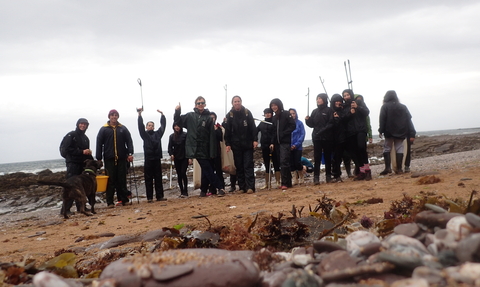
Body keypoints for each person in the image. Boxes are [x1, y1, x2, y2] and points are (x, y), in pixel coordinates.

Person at [174, 97, 226, 197]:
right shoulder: (190, 116)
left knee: (207, 169)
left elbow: (211, 135)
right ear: (195, 105)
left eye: (202, 103)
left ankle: (211, 190)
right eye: (198, 103)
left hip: (205, 148)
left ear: (205, 104)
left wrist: (212, 152)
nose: (200, 104)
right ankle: (218, 188)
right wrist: (177, 111)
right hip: (194, 148)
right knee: (207, 169)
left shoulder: (208, 118)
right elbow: (178, 121)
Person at [96, 109, 134, 207]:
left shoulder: (123, 128)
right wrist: (99, 158)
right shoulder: (103, 129)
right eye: (112, 115)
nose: (114, 117)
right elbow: (99, 144)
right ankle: (110, 202)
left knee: (122, 179)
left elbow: (129, 141)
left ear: (118, 116)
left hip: (122, 157)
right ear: (109, 116)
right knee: (110, 180)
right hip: (109, 158)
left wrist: (130, 153)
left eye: (115, 115)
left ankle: (124, 199)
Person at [224, 95, 258, 194]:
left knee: (248, 165)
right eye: (235, 101)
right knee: (239, 166)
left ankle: (250, 187)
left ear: (241, 102)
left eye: (238, 101)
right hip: (236, 145)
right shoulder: (229, 115)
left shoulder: (247, 113)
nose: (237, 103)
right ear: (232, 103)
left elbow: (253, 127)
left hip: (247, 144)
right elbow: (228, 131)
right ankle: (242, 187)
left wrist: (255, 140)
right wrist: (228, 144)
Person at [60, 118, 94, 214]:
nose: (83, 126)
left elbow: (86, 153)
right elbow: (66, 149)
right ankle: (65, 210)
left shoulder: (86, 138)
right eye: (81, 124)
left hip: (82, 165)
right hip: (72, 164)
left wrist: (93, 160)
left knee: (81, 187)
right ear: (78, 124)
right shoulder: (71, 135)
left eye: (85, 124)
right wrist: (81, 151)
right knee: (70, 186)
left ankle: (81, 207)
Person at [378, 90, 416, 174]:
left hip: (389, 131)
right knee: (399, 148)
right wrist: (412, 133)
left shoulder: (385, 106)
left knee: (387, 148)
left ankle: (388, 168)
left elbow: (382, 120)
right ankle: (399, 169)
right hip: (401, 131)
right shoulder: (403, 107)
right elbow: (408, 120)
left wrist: (381, 130)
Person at [138, 108, 166, 202]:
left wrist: (162, 115)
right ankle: (149, 197)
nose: (151, 127)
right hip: (148, 159)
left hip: (157, 158)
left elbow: (163, 126)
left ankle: (160, 196)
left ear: (154, 127)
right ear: (146, 127)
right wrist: (139, 115)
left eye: (152, 125)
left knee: (158, 178)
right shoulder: (144, 135)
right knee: (148, 179)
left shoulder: (158, 134)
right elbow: (140, 127)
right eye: (149, 125)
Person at [342, 89, 371, 181]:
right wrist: (350, 113)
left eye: (347, 95)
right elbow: (343, 119)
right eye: (344, 95)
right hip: (351, 132)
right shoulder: (345, 106)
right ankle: (362, 171)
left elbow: (366, 112)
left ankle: (368, 170)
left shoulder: (358, 102)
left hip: (360, 130)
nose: (346, 97)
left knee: (361, 148)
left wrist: (357, 107)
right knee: (356, 151)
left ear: (351, 95)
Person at [305, 93, 334, 184]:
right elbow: (312, 124)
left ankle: (328, 176)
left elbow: (331, 123)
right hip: (316, 137)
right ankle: (316, 178)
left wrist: (323, 131)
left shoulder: (329, 110)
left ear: (324, 99)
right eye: (317, 98)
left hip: (327, 137)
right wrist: (307, 121)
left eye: (320, 98)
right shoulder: (314, 111)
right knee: (317, 158)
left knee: (327, 157)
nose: (318, 100)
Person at [269, 98, 296, 190]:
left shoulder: (286, 114)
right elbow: (273, 131)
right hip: (277, 143)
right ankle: (288, 182)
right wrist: (272, 142)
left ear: (279, 105)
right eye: (272, 106)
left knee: (284, 161)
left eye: (275, 105)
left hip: (285, 142)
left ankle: (284, 182)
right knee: (282, 163)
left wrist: (284, 133)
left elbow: (293, 125)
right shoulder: (274, 118)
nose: (273, 107)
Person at [257, 108, 279, 189]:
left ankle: (278, 181)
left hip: (273, 146)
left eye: (269, 113)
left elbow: (275, 133)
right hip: (264, 146)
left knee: (276, 163)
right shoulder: (262, 123)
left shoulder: (274, 122)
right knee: (267, 164)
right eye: (266, 113)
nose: (268, 114)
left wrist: (273, 143)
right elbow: (256, 131)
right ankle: (267, 183)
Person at [330, 94, 348, 182]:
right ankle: (336, 174)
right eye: (336, 101)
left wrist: (338, 117)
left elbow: (346, 119)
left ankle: (346, 172)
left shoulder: (343, 110)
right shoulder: (330, 111)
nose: (338, 103)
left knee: (343, 156)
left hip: (343, 136)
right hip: (333, 137)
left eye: (339, 101)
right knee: (336, 157)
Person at [205, 112, 225, 196]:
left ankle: (222, 188)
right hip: (208, 153)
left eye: (213, 117)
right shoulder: (206, 128)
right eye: (210, 117)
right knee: (210, 171)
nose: (212, 119)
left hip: (217, 152)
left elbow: (221, 138)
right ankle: (212, 189)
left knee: (219, 171)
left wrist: (216, 130)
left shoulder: (218, 127)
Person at [168, 122, 188, 197]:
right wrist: (171, 154)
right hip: (176, 157)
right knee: (179, 175)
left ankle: (186, 191)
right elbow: (170, 147)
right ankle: (182, 191)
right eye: (175, 126)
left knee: (183, 173)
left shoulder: (185, 135)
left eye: (178, 126)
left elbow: (188, 146)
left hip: (185, 157)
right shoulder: (172, 136)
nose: (176, 127)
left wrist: (190, 158)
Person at [289, 108, 306, 185]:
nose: (292, 115)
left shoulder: (300, 123)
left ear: (296, 114)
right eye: (291, 114)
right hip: (289, 146)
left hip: (298, 147)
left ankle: (301, 177)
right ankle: (294, 179)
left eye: (293, 113)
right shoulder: (287, 124)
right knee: (291, 163)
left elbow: (302, 135)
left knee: (297, 162)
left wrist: (296, 144)